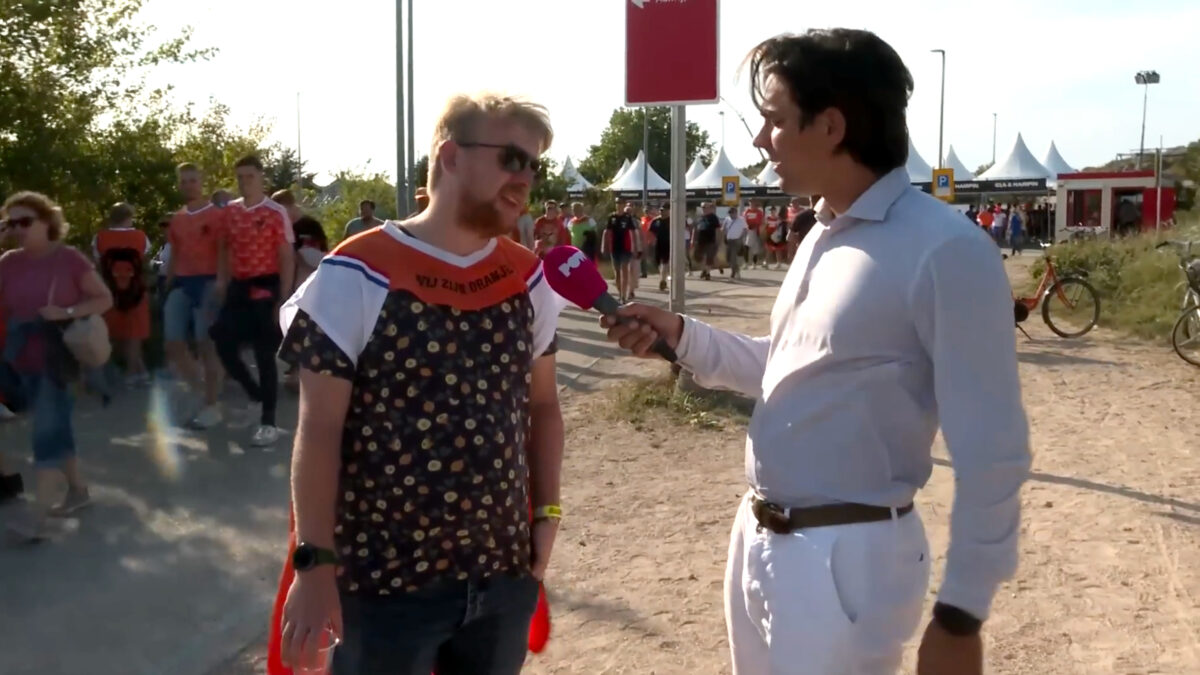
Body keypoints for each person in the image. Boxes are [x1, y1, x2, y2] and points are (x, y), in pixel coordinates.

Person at [600, 28, 1030, 675]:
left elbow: (994, 449)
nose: (760, 140)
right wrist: (682, 336)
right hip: (761, 539)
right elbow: (788, 367)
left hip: (846, 558)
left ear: (831, 126)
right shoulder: (823, 232)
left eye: (775, 120)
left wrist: (962, 614)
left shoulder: (947, 249)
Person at [277, 92, 565, 675]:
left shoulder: (526, 277)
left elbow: (544, 407)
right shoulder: (355, 272)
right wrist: (314, 565)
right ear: (451, 157)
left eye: (534, 165)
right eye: (512, 159)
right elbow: (319, 428)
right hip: (382, 588)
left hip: (502, 579)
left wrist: (548, 514)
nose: (525, 179)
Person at [0, 192, 113, 540]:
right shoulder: (8, 262)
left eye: (25, 221)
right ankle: (78, 491)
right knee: (56, 429)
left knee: (46, 435)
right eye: (11, 223)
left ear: (47, 221)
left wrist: (66, 312)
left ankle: (36, 520)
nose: (18, 229)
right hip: (17, 361)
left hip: (56, 362)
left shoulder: (68, 259)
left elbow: (104, 298)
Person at [210, 155, 295, 447]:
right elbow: (224, 248)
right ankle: (255, 394)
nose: (244, 182)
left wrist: (283, 297)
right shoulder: (231, 212)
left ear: (261, 178)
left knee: (263, 354)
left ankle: (268, 422)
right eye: (240, 177)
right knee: (221, 340)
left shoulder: (275, 212)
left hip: (266, 286)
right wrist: (222, 280)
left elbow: (286, 256)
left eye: (250, 176)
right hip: (238, 287)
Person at [164, 163, 228, 429]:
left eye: (192, 180)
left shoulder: (216, 215)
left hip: (208, 283)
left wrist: (222, 281)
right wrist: (167, 283)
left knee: (206, 345)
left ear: (201, 182)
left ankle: (211, 405)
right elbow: (174, 253)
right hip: (182, 283)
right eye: (183, 181)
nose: (188, 185)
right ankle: (203, 391)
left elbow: (224, 250)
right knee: (173, 343)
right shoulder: (178, 218)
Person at [92, 202, 151, 386]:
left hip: (110, 291)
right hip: (135, 290)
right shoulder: (140, 236)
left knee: (113, 333)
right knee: (134, 334)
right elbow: (145, 263)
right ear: (129, 217)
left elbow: (97, 265)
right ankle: (133, 373)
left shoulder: (100, 238)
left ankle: (132, 371)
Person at [602, 201, 640, 303]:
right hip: (614, 247)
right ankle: (620, 293)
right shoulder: (612, 217)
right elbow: (607, 232)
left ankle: (623, 295)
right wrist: (604, 246)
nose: (619, 206)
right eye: (618, 204)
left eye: (621, 204)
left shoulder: (627, 218)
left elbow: (633, 233)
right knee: (617, 272)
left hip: (626, 247)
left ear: (623, 206)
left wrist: (636, 248)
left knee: (624, 270)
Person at [693, 202, 722, 281]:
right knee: (699, 257)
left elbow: (718, 230)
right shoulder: (700, 218)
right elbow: (695, 229)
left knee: (709, 258)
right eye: (703, 207)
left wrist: (718, 240)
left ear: (709, 208)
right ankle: (705, 270)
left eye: (706, 207)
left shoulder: (713, 217)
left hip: (710, 240)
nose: (704, 209)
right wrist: (693, 240)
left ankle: (707, 273)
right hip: (700, 240)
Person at [647, 203, 672, 291]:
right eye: (661, 210)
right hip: (658, 243)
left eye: (664, 210)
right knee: (658, 262)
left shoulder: (672, 221)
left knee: (665, 262)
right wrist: (650, 242)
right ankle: (663, 277)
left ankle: (663, 280)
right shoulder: (656, 221)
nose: (662, 212)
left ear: (668, 211)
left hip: (669, 243)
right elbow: (650, 232)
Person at [723, 205, 748, 280]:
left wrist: (741, 237)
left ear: (736, 213)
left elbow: (745, 229)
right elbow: (724, 228)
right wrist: (724, 234)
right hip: (729, 240)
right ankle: (736, 270)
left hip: (737, 240)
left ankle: (734, 273)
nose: (731, 214)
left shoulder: (741, 219)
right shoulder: (727, 219)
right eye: (730, 213)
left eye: (732, 213)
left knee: (733, 257)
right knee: (728, 258)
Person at [743, 200, 766, 268]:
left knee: (755, 248)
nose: (752, 205)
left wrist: (757, 226)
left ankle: (754, 264)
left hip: (756, 231)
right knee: (746, 246)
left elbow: (761, 221)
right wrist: (746, 227)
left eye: (753, 203)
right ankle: (746, 263)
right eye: (750, 203)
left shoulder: (759, 212)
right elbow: (744, 220)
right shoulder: (746, 211)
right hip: (748, 231)